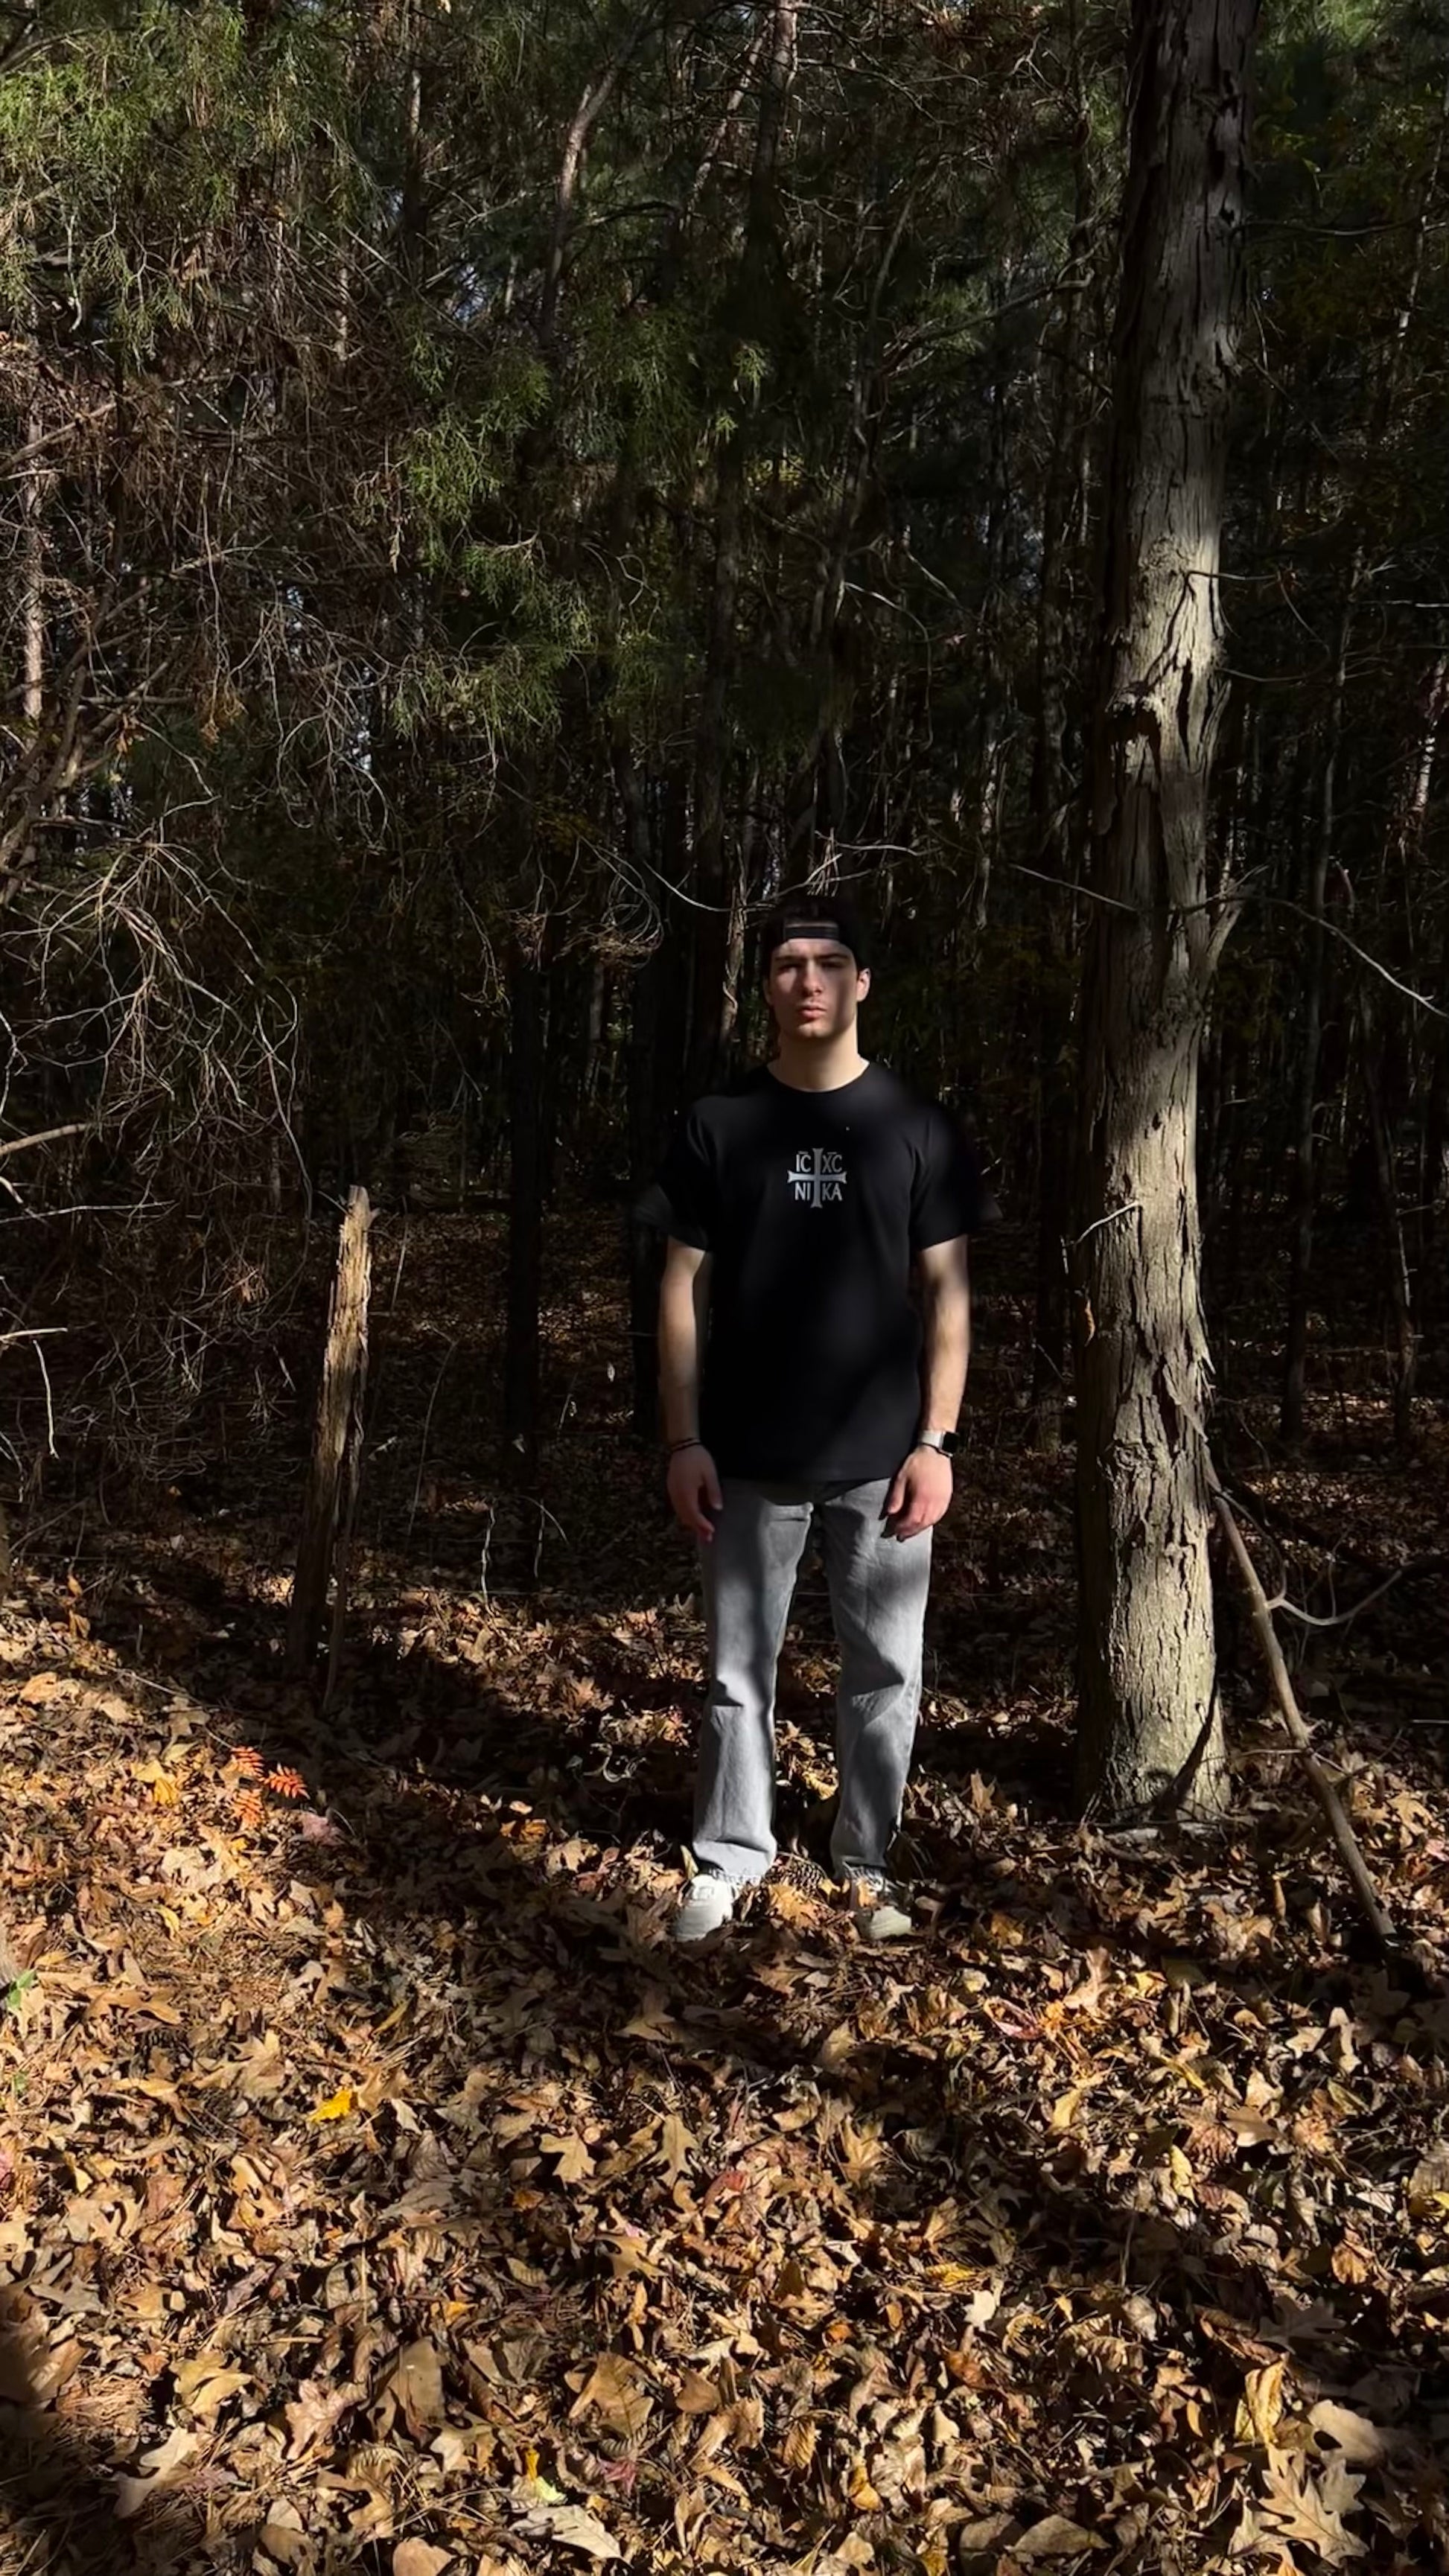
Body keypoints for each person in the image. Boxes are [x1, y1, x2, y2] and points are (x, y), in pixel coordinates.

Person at [647, 891, 985, 1945]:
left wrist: (936, 1441)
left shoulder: (917, 1128)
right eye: (788, 962)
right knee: (735, 1672)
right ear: (767, 985)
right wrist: (683, 1437)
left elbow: (948, 1297)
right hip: (745, 1452)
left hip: (884, 1461)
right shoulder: (718, 1125)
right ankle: (728, 1856)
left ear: (860, 983)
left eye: (828, 962)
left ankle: (865, 1860)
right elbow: (676, 1291)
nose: (807, 980)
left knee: (886, 1672)